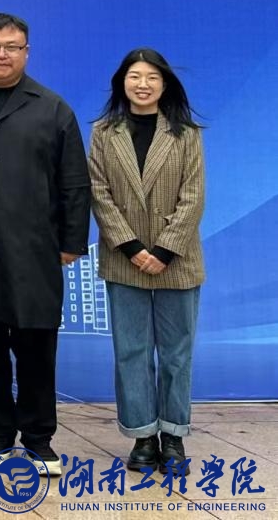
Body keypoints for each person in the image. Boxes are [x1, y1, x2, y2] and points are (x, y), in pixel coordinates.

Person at [0, 13, 91, 476]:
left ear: (26, 52)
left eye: (12, 46)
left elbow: (74, 182)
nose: (1, 54)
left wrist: (72, 242)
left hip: (35, 250)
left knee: (36, 349)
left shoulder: (52, 108)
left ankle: (40, 439)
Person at [88, 48, 204, 475]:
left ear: (164, 84)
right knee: (131, 351)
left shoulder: (186, 133)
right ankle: (142, 435)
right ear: (122, 82)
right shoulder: (104, 132)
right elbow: (99, 192)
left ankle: (172, 436)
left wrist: (164, 250)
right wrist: (131, 246)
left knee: (176, 354)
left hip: (178, 261)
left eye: (152, 77)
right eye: (134, 76)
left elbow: (193, 195)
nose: (143, 84)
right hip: (125, 261)